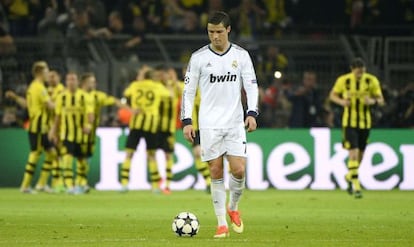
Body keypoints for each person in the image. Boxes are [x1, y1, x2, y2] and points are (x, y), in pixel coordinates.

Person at [180, 11, 259, 238]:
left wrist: (252, 112)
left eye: (219, 32)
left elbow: (252, 86)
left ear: (228, 30)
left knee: (239, 170)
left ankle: (233, 208)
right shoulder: (198, 58)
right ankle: (221, 223)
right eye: (211, 32)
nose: (214, 36)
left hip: (235, 122)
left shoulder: (242, 56)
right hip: (209, 123)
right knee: (215, 171)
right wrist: (187, 121)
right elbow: (188, 91)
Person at [329, 58, 384, 199]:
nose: (359, 74)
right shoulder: (344, 80)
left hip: (365, 123)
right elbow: (332, 95)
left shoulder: (371, 80)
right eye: (357, 71)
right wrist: (342, 102)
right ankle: (357, 187)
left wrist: (372, 101)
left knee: (360, 156)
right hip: (349, 123)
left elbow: (381, 100)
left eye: (362, 71)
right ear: (352, 69)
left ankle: (349, 176)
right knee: (352, 153)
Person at [120, 67, 170, 193]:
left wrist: (131, 109)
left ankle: (124, 183)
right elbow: (170, 95)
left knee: (129, 153)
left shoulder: (135, 85)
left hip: (136, 123)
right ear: (152, 77)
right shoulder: (157, 86)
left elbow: (125, 97)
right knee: (151, 155)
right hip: (151, 124)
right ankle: (155, 186)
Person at [78, 72, 126, 193]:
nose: (94, 84)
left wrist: (129, 109)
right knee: (75, 157)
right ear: (84, 83)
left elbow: (113, 101)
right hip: (76, 131)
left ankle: (80, 183)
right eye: (91, 81)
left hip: (90, 133)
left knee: (85, 158)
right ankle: (72, 183)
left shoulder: (97, 96)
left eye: (94, 81)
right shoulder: (77, 95)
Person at [50, 72, 95, 194]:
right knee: (67, 157)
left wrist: (89, 125)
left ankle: (81, 183)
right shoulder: (61, 97)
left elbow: (90, 114)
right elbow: (58, 117)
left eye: (73, 79)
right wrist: (54, 132)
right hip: (67, 134)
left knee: (82, 160)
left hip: (81, 135)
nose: (71, 82)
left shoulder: (84, 96)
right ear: (66, 82)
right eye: (69, 79)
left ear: (77, 82)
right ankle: (69, 185)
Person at [19, 61, 56, 193]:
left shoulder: (33, 87)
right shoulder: (38, 87)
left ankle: (41, 183)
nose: (48, 74)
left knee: (52, 153)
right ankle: (25, 185)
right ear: (40, 73)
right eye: (46, 71)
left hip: (42, 126)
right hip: (38, 125)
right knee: (35, 153)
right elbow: (50, 105)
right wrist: (61, 104)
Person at [155, 66, 183, 195]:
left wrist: (175, 80)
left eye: (165, 74)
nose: (163, 76)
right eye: (161, 74)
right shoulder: (155, 86)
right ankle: (157, 181)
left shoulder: (174, 85)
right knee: (150, 153)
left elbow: (182, 94)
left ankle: (167, 184)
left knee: (168, 155)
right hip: (154, 126)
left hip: (169, 128)